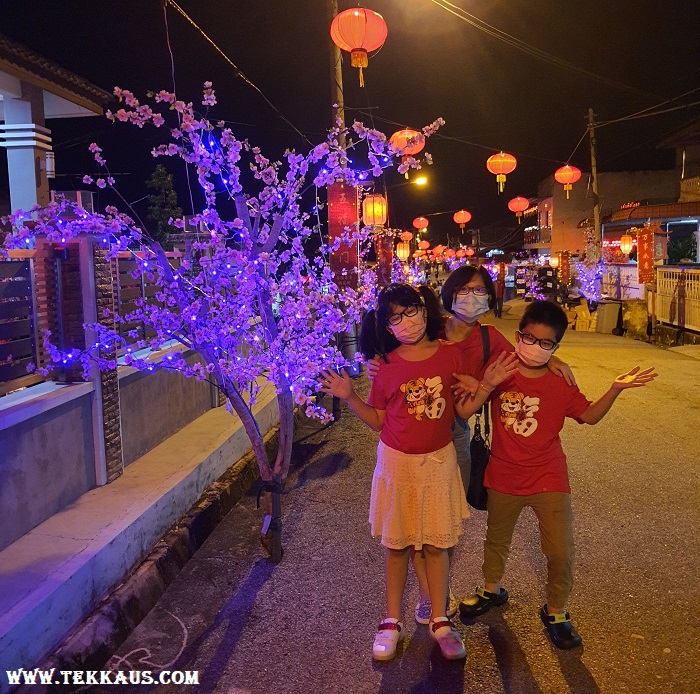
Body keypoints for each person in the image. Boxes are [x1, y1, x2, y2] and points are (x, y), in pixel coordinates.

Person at [318, 283, 519, 662]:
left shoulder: (450, 356)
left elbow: (461, 412)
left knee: (436, 545)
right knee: (397, 545)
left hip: (439, 461)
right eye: (395, 317)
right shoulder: (387, 366)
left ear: (426, 310)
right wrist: (350, 395)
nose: (405, 322)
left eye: (411, 311)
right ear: (386, 325)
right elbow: (379, 420)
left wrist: (488, 385)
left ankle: (440, 618)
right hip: (397, 464)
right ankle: (391, 620)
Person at [367, 265, 575, 624]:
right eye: (464, 289)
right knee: (411, 520)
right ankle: (433, 598)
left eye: (480, 291)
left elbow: (521, 358)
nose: (472, 297)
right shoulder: (432, 326)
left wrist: (551, 356)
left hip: (456, 426)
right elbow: (395, 354)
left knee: (440, 513)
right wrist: (378, 366)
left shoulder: (489, 338)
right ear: (449, 293)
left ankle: (437, 592)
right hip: (410, 431)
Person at [455, 300, 657, 649]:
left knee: (560, 550)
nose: (536, 347)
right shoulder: (501, 370)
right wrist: (481, 384)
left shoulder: (559, 382)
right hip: (503, 475)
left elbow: (589, 416)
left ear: (556, 347)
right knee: (496, 541)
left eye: (546, 344)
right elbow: (470, 390)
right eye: (530, 338)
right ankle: (491, 590)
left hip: (548, 477)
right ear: (519, 336)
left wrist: (615, 388)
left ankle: (556, 610)